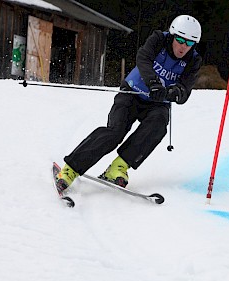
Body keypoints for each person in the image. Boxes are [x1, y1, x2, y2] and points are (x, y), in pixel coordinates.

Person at [55, 15, 202, 193]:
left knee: (158, 124)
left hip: (157, 103)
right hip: (132, 93)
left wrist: (174, 92)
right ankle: (70, 170)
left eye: (189, 43)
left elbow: (184, 90)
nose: (183, 46)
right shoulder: (158, 39)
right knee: (115, 132)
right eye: (179, 39)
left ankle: (118, 167)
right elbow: (143, 59)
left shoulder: (193, 60)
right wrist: (153, 82)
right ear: (172, 35)